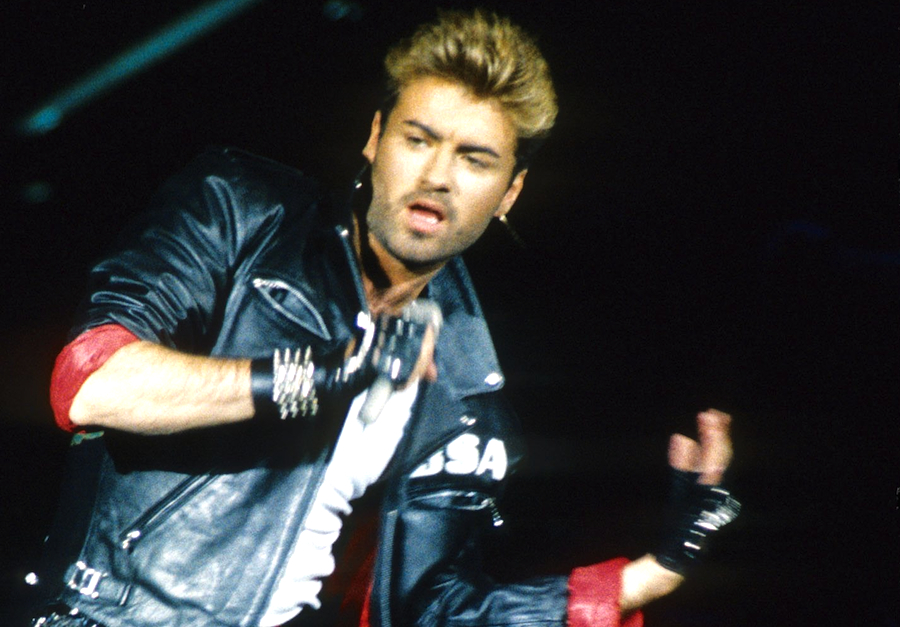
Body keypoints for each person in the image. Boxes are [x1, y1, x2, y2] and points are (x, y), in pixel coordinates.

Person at [32, 9, 739, 627]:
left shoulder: (464, 389)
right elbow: (91, 382)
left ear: (509, 193)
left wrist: (650, 574)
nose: (437, 175)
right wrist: (323, 375)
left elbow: (425, 609)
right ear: (375, 138)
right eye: (418, 139)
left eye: (475, 159)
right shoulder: (241, 209)